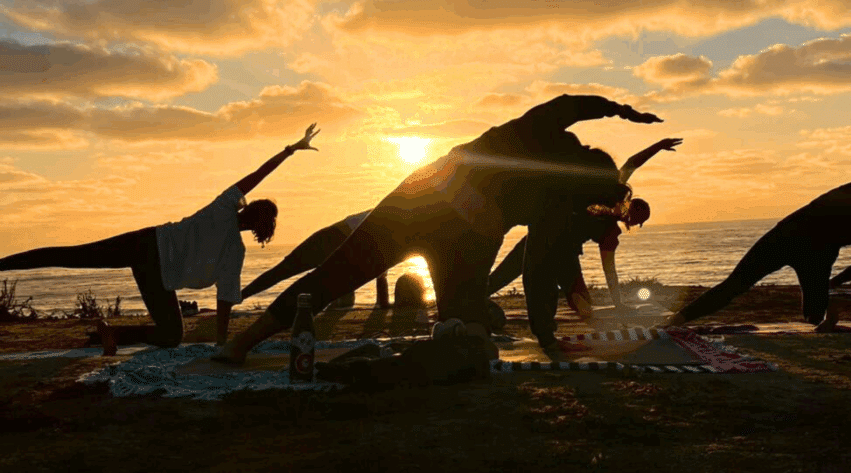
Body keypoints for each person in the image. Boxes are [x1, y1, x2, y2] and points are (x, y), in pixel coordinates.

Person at [212, 94, 662, 364]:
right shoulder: (539, 135)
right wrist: (621, 110)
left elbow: (541, 264)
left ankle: (447, 332)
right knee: (339, 273)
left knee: (469, 337)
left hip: (465, 243)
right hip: (422, 202)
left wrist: (547, 338)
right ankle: (243, 342)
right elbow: (571, 105)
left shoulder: (557, 202)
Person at [0, 124, 320, 355]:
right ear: (260, 230)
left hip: (147, 245)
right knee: (170, 335)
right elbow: (224, 302)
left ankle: (107, 334)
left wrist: (290, 150)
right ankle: (109, 334)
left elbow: (257, 174)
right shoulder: (233, 252)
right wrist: (223, 343)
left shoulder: (222, 207)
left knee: (69, 256)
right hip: (152, 260)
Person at [665, 180, 851, 332]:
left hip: (805, 247)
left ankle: (677, 319)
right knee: (737, 283)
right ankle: (678, 319)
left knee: (739, 284)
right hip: (795, 241)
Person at [487, 138, 682, 320]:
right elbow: (610, 271)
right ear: (632, 217)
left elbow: (631, 163)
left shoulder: (610, 196)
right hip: (559, 251)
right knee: (579, 304)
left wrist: (657, 146)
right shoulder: (610, 225)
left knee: (501, 278)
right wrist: (619, 305)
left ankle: (469, 302)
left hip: (544, 238)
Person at [234, 209, 391, 311]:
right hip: (330, 240)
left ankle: (236, 298)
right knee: (282, 271)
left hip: (343, 247)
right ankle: (236, 298)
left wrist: (382, 303)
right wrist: (383, 303)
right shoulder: (387, 217)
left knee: (341, 299)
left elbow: (381, 264)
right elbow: (381, 262)